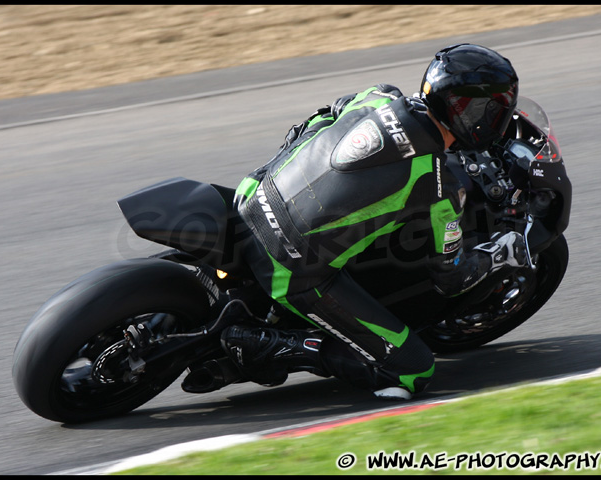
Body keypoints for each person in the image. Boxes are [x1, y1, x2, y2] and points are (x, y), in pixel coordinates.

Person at [221, 43, 528, 400]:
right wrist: (502, 252)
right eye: (491, 111)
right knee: (414, 370)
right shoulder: (438, 185)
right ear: (468, 113)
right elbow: (451, 277)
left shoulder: (379, 96)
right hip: (291, 268)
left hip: (253, 193)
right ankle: (274, 345)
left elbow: (319, 120)